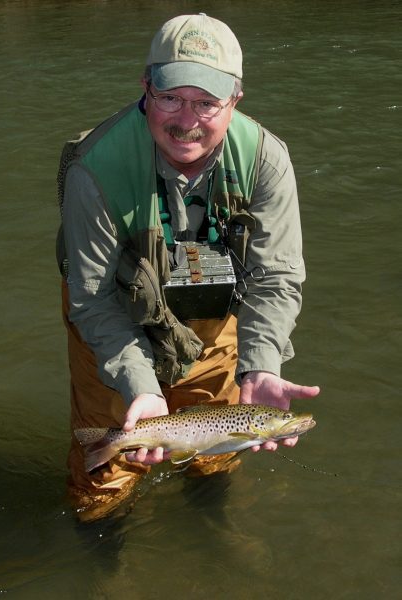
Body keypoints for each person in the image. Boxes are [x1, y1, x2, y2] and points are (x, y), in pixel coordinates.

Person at [56, 13, 320, 522]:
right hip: (112, 317)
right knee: (106, 468)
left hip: (214, 315)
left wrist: (262, 362)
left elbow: (275, 276)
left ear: (235, 101)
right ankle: (101, 544)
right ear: (146, 88)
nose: (186, 120)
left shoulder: (266, 161)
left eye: (206, 102)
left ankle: (210, 533)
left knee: (216, 451)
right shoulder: (95, 168)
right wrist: (142, 389)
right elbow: (91, 299)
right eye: (171, 97)